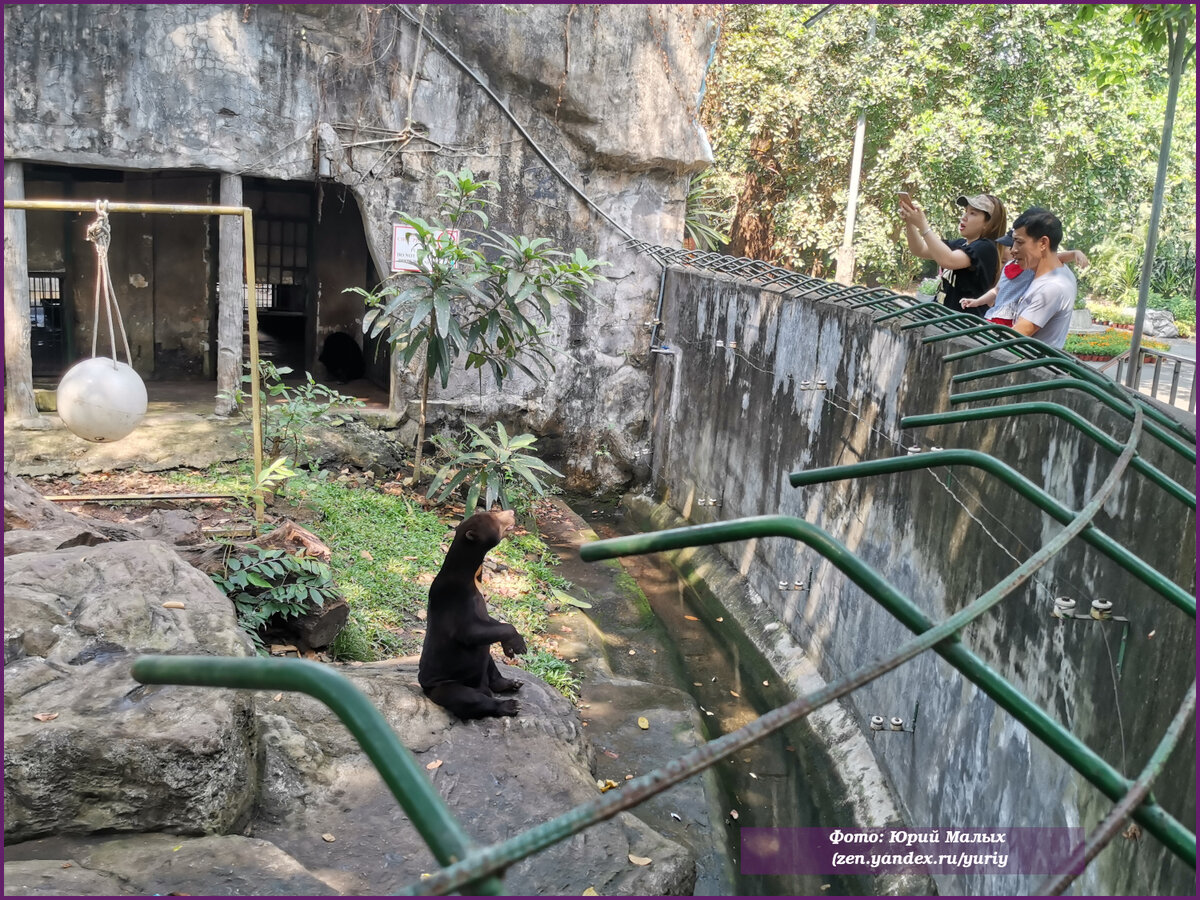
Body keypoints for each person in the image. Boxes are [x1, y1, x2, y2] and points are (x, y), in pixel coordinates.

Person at [961, 218, 1090, 327]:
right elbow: (997, 290)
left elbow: (1055, 257)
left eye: (1018, 244)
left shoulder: (1029, 267)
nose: (1013, 250)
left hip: (1011, 316)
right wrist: (977, 301)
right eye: (1010, 245)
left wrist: (1074, 254)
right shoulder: (1009, 266)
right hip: (995, 312)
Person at [898, 193, 1006, 317]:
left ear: (988, 223)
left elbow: (948, 260)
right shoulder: (961, 244)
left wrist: (923, 225)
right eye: (965, 211)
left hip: (964, 326)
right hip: (944, 318)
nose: (964, 217)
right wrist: (910, 222)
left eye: (973, 213)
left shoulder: (986, 247)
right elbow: (919, 249)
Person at [1005, 207, 1078, 349]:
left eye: (1019, 242)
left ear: (1043, 243)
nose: (1013, 250)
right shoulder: (1059, 271)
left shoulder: (1052, 288)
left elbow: (1015, 336)